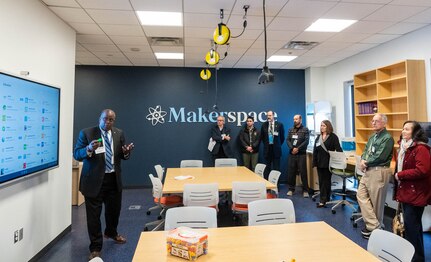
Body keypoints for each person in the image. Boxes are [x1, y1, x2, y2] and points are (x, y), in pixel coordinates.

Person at [73, 109, 134, 260]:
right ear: (99, 118)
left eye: (111, 120)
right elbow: (76, 154)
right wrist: (88, 149)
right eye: (105, 119)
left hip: (113, 179)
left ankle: (111, 232)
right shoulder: (87, 133)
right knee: (93, 217)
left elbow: (122, 155)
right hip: (93, 182)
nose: (108, 122)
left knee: (114, 211)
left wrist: (126, 152)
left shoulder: (118, 133)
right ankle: (95, 247)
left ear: (114, 121)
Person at [394, 121, 431, 262]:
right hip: (406, 193)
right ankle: (414, 257)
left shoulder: (421, 148)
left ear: (415, 132)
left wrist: (400, 175)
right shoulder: (404, 147)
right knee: (412, 228)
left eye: (407, 129)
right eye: (403, 128)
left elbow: (422, 170)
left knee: (412, 228)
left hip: (415, 194)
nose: (403, 131)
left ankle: (416, 258)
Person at [357, 113, 394, 239]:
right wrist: (362, 160)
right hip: (368, 170)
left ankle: (374, 231)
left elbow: (381, 156)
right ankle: (375, 227)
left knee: (376, 203)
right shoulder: (373, 137)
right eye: (372, 121)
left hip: (379, 171)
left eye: (376, 121)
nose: (373, 123)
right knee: (360, 195)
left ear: (384, 123)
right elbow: (366, 151)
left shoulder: (387, 138)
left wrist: (365, 162)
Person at [312, 120, 342, 207]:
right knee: (322, 181)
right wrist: (314, 162)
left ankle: (323, 200)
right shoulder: (318, 137)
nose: (322, 127)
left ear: (328, 127)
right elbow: (315, 150)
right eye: (321, 125)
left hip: (328, 162)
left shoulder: (333, 137)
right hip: (319, 162)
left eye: (324, 126)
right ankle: (325, 199)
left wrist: (342, 158)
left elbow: (338, 149)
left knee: (326, 181)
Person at [286, 114, 310, 197]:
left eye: (296, 119)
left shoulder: (305, 129)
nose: (294, 120)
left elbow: (306, 141)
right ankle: (291, 189)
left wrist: (298, 148)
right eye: (294, 119)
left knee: (303, 172)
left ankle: (305, 190)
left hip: (301, 154)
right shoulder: (291, 130)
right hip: (292, 153)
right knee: (291, 172)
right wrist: (292, 148)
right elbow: (288, 140)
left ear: (300, 119)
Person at [260, 110, 285, 179]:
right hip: (267, 150)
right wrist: (267, 144)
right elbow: (262, 137)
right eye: (267, 115)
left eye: (270, 115)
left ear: (273, 116)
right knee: (267, 168)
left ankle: (276, 185)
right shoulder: (264, 125)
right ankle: (267, 185)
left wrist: (277, 145)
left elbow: (282, 138)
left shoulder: (279, 125)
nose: (268, 117)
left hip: (276, 150)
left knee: (276, 168)